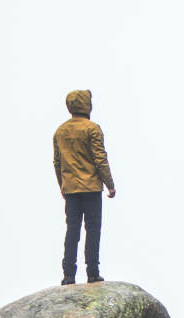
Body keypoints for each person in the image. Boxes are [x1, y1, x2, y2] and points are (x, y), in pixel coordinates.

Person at [53, 90, 116, 285]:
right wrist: (110, 184)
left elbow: (57, 162)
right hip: (91, 187)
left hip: (71, 189)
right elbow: (100, 159)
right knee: (93, 229)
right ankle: (93, 272)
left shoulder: (60, 131)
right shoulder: (92, 129)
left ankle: (69, 274)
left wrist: (62, 186)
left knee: (72, 230)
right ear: (86, 105)